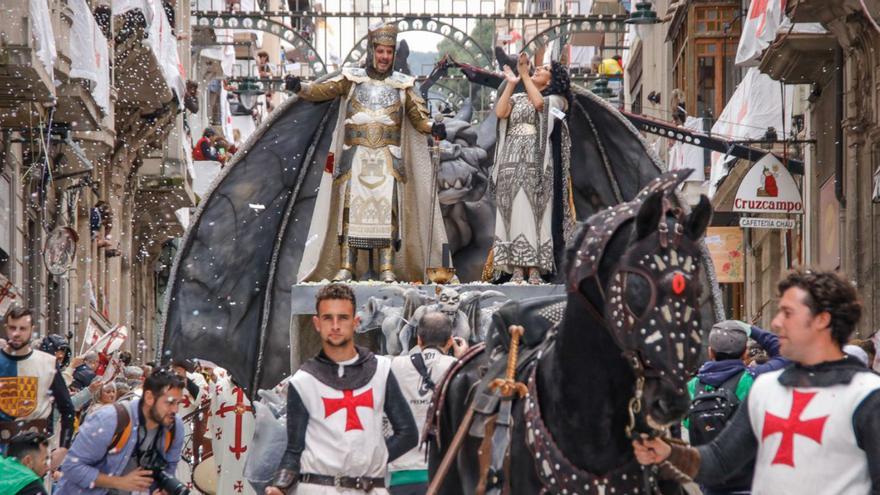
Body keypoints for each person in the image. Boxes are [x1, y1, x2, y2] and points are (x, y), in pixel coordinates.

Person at [633, 269, 880, 494]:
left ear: (822, 320)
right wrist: (669, 453)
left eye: (787, 313)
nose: (776, 323)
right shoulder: (766, 389)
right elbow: (720, 460)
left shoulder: (867, 396)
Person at [291, 22, 448, 284]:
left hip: (388, 159)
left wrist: (435, 127)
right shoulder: (351, 80)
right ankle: (347, 266)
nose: (385, 57)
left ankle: (387, 267)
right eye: (380, 51)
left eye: (389, 52)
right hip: (356, 157)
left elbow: (419, 121)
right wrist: (299, 87)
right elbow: (321, 91)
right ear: (371, 51)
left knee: (388, 212)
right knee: (351, 209)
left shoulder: (403, 86)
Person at [266, 283, 417, 494]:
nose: (335, 325)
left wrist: (371, 460)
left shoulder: (381, 370)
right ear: (317, 323)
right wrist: (280, 486)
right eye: (328, 318)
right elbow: (294, 450)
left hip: (369, 489)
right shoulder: (304, 381)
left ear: (355, 322)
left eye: (343, 318)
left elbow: (408, 433)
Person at [491, 53, 575, 284]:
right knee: (513, 209)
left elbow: (539, 104)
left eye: (544, 68)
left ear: (552, 80)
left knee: (535, 210)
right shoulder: (518, 99)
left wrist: (525, 76)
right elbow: (501, 112)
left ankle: (535, 266)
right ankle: (516, 267)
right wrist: (511, 83)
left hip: (537, 162)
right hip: (510, 158)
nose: (538, 68)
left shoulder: (557, 100)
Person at [683, 320, 789, 495]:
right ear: (745, 353)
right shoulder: (754, 379)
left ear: (710, 352)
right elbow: (786, 355)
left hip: (709, 483)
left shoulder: (692, 387)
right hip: (750, 483)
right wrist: (752, 330)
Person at [56, 368, 186, 494]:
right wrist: (119, 482)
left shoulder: (175, 427)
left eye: (178, 403)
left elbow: (168, 473)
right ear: (149, 397)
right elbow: (71, 467)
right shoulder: (109, 419)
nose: (175, 410)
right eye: (170, 403)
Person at [388, 311, 468, 495]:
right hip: (444, 475)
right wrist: (464, 358)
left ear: (419, 340)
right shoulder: (457, 367)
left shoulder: (395, 365)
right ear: (450, 341)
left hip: (402, 477)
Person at [0, 307, 74, 466]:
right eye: (13, 328)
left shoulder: (47, 364)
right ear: (6, 328)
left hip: (33, 453)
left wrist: (63, 448)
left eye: (22, 328)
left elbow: (67, 408)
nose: (17, 333)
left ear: (31, 330)